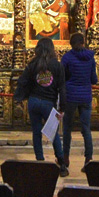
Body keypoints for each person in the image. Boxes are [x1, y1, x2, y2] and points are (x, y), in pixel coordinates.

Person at [15, 36, 65, 165]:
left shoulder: (33, 64)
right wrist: (62, 108)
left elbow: (22, 81)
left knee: (36, 132)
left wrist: (21, 97)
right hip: (49, 103)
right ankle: (61, 163)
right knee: (53, 133)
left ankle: (40, 161)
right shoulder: (56, 65)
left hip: (34, 101)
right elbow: (62, 88)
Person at [58, 29, 97, 173]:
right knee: (86, 128)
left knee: (67, 129)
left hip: (71, 96)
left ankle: (65, 157)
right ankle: (88, 159)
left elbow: (62, 77)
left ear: (71, 44)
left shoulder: (67, 58)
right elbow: (94, 79)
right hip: (86, 96)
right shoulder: (90, 58)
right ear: (83, 43)